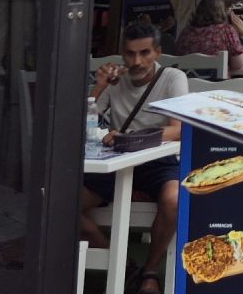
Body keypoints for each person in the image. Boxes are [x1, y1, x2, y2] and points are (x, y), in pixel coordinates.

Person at [81, 24, 189, 293]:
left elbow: (178, 130)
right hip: (118, 163)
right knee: (62, 201)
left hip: (158, 161)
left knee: (174, 198)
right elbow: (84, 124)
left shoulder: (172, 77)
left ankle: (150, 269)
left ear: (158, 52)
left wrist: (130, 137)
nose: (137, 61)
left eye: (144, 53)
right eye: (130, 54)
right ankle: (124, 266)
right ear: (122, 54)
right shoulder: (114, 80)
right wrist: (99, 86)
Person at [176, 0, 243, 74]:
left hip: (187, 83)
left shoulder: (186, 32)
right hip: (216, 84)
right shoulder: (226, 30)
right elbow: (238, 64)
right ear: (221, 12)